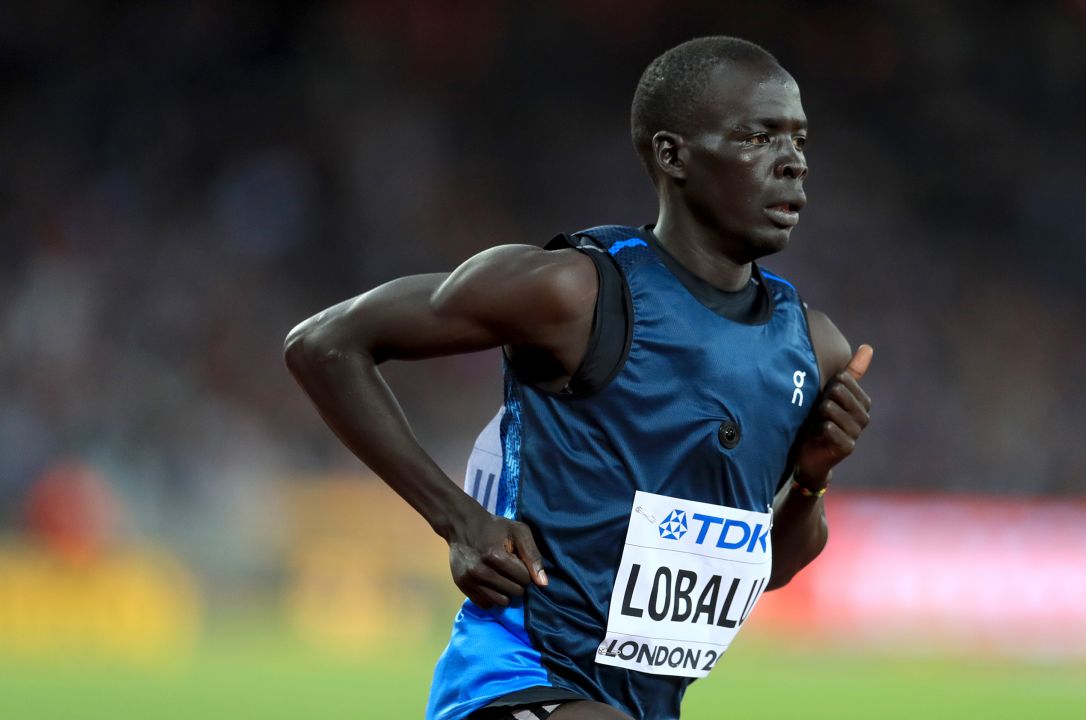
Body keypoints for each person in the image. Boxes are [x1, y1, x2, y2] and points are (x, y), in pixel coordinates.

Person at [285, 36, 873, 720]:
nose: (794, 162)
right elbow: (323, 345)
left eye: (799, 138)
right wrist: (459, 520)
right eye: (758, 135)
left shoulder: (809, 348)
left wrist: (811, 478)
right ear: (672, 155)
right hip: (515, 682)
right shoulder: (575, 294)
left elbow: (767, 571)